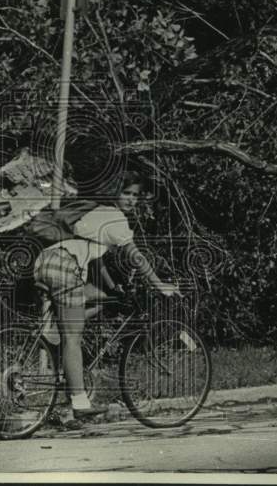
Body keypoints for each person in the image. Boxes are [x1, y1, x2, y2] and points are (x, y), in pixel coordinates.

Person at [32, 171, 179, 421]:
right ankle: (79, 403)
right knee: (73, 339)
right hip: (64, 267)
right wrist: (158, 283)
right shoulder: (114, 218)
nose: (131, 199)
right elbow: (135, 256)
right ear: (113, 193)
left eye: (135, 195)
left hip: (48, 262)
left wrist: (113, 288)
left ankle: (56, 332)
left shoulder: (95, 213)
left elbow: (96, 259)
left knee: (101, 298)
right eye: (126, 193)